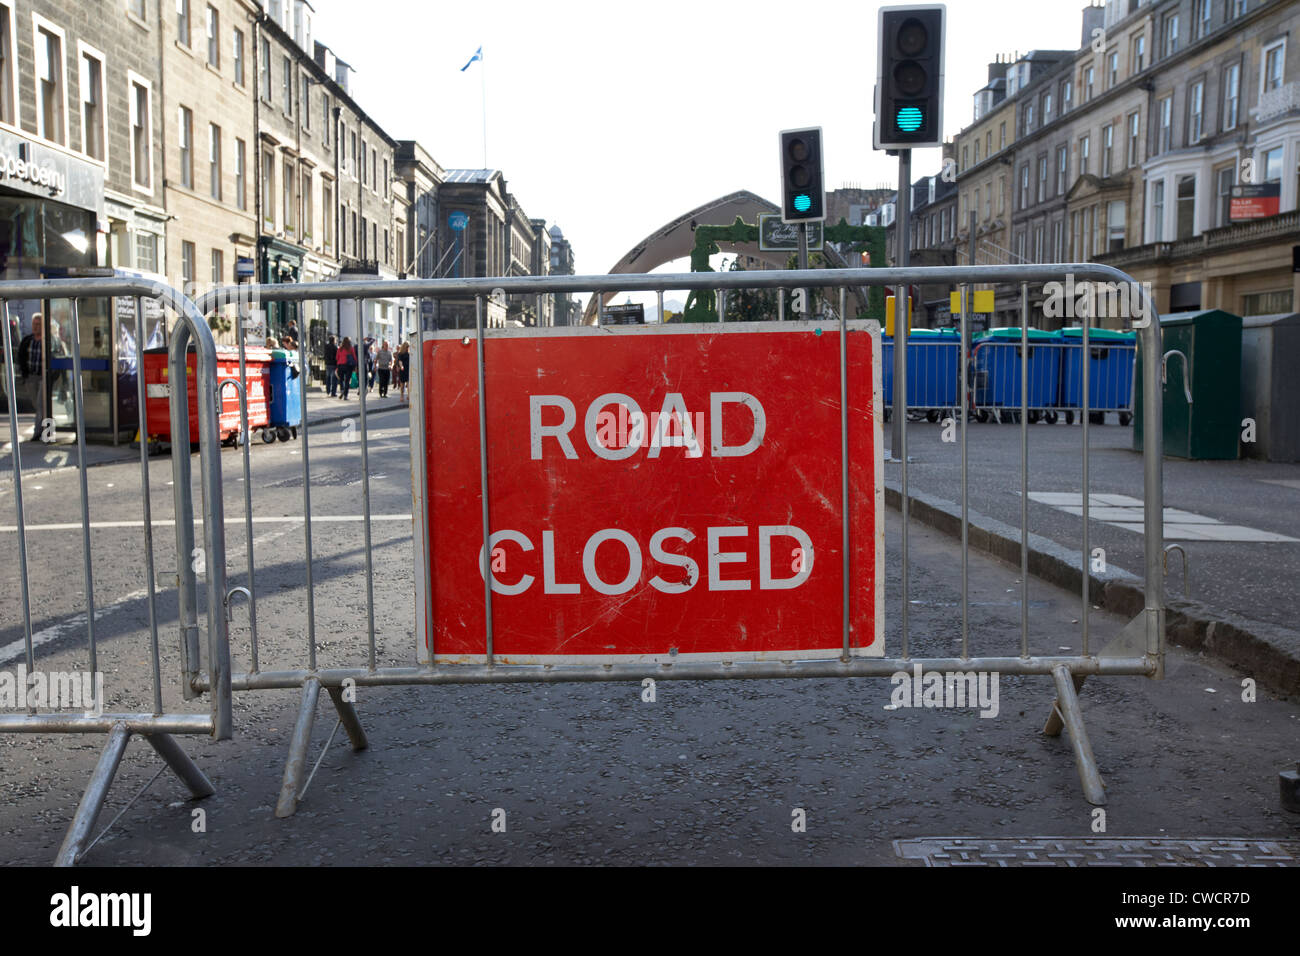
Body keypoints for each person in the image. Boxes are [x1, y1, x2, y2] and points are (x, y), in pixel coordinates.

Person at [16, 315, 44, 440]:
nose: (35, 327)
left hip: (44, 377)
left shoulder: (48, 340)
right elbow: (21, 357)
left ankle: (38, 432)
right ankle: (47, 430)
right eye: (34, 324)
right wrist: (24, 374)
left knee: (41, 404)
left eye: (38, 324)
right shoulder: (28, 340)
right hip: (31, 378)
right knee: (38, 406)